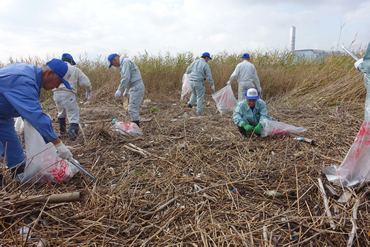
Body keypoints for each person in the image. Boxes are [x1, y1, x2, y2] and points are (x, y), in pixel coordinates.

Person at [0, 59, 74, 187]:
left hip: (3, 117)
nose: (56, 87)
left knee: (14, 152)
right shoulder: (23, 80)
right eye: (59, 82)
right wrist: (57, 143)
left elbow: (27, 111)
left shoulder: (31, 77)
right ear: (49, 73)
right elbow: (35, 114)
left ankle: (20, 177)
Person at [53, 53, 92, 140]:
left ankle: (62, 133)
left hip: (56, 94)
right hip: (68, 94)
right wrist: (88, 91)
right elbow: (85, 82)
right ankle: (72, 138)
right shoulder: (74, 69)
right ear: (71, 61)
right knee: (73, 115)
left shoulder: (56, 69)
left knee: (61, 113)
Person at [108, 53, 145, 127]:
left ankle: (136, 128)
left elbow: (126, 78)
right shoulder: (123, 64)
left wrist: (119, 90)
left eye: (113, 64)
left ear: (115, 59)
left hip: (136, 87)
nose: (114, 66)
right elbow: (129, 78)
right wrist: (127, 90)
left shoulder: (126, 62)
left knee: (132, 108)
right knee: (133, 108)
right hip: (133, 87)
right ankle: (135, 127)